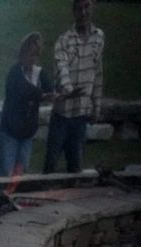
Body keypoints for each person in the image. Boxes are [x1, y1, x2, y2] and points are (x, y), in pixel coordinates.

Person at [43, 0, 105, 174]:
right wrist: (70, 91)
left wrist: (96, 107)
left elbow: (98, 73)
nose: (83, 12)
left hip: (81, 115)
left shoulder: (99, 37)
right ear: (74, 11)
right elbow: (61, 69)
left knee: (75, 166)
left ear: (93, 6)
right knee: (50, 165)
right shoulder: (64, 40)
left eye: (86, 7)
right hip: (62, 114)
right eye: (79, 9)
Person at [0, 32, 53, 178]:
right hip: (10, 132)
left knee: (21, 174)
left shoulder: (39, 73)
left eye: (35, 55)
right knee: (6, 173)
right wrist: (42, 95)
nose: (32, 58)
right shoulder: (15, 72)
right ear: (22, 54)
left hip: (27, 133)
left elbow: (50, 89)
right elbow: (23, 90)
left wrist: (59, 94)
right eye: (29, 54)